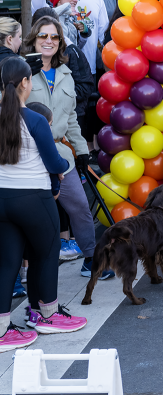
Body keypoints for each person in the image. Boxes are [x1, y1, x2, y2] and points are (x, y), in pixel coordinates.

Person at [0, 56, 88, 351]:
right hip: (34, 197)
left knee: (8, 262)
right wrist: (66, 161)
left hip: (2, 199)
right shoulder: (35, 120)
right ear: (26, 83)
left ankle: (2, 329)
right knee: (47, 253)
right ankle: (46, 315)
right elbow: (54, 162)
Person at [24, 16, 112, 279]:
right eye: (43, 36)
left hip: (62, 155)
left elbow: (72, 117)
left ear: (61, 42)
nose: (48, 41)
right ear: (33, 40)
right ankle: (21, 275)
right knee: (30, 217)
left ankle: (90, 258)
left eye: (54, 37)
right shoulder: (22, 72)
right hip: (29, 156)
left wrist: (81, 150)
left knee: (80, 208)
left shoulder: (65, 73)